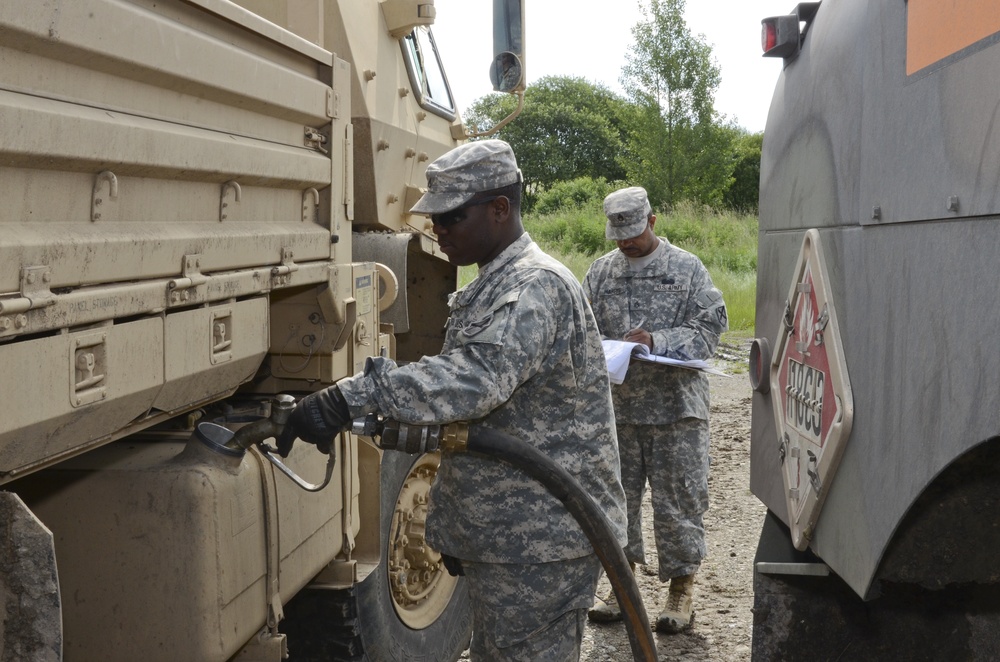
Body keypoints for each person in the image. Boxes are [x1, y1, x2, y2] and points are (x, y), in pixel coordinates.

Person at [277, 140, 628, 661]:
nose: (437, 230)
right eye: (434, 218)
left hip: (542, 542)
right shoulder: (496, 280)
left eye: (451, 216)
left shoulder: (534, 285)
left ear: (500, 209)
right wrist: (462, 532)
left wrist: (351, 396)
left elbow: (472, 381)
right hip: (511, 537)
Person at [582, 186, 728, 634]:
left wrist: (657, 342)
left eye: (633, 231)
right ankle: (619, 586)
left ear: (653, 221)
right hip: (618, 413)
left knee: (679, 502)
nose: (626, 241)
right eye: (618, 234)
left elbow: (710, 324)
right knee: (614, 501)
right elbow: (582, 330)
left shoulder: (685, 269)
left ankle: (682, 589)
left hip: (676, 412)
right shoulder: (601, 274)